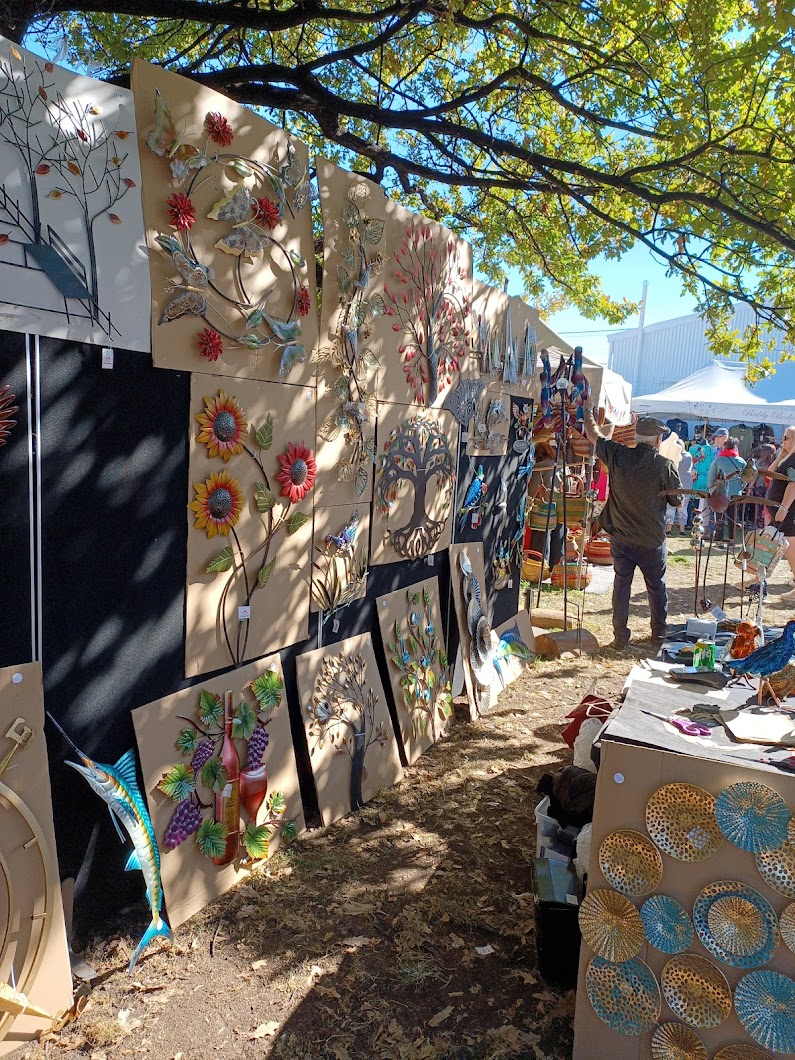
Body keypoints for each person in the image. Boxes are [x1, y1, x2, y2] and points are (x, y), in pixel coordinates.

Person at [583, 409, 682, 649]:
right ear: (657, 440)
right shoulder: (665, 465)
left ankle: (620, 636)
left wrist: (586, 410)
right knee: (656, 587)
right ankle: (659, 634)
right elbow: (677, 501)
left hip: (621, 537)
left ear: (636, 436)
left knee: (621, 585)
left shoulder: (618, 454)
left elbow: (593, 434)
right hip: (650, 540)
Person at [765, 425, 795, 601]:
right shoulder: (787, 457)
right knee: (772, 543)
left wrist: (783, 508)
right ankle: (758, 579)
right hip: (780, 510)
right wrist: (781, 455)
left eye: (786, 437)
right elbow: (769, 475)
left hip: (788, 512)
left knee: (790, 547)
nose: (782, 440)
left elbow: (793, 485)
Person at [707, 436, 746, 546]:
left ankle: (719, 540)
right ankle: (731, 540)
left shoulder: (718, 460)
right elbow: (746, 479)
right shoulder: (742, 461)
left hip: (719, 493)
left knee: (719, 517)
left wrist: (712, 490)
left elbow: (711, 477)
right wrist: (740, 488)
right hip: (735, 494)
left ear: (725, 446)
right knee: (733, 518)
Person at [689, 434, 715, 532]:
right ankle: (702, 521)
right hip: (706, 479)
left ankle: (690, 522)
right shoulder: (712, 451)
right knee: (703, 502)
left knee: (692, 500)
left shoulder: (692, 449)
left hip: (694, 478)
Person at [665, 445, 693, 534]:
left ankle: (668, 529)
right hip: (686, 484)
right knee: (683, 508)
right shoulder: (689, 456)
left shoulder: (673, 456)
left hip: (673, 483)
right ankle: (682, 530)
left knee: (670, 507)